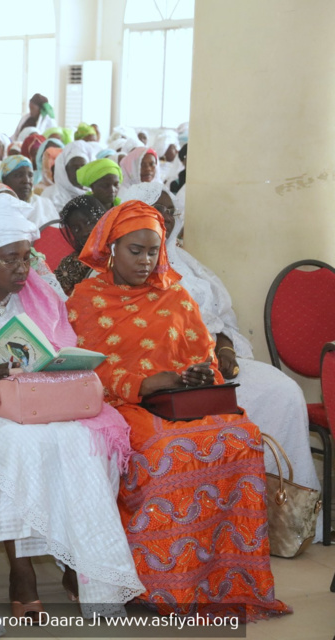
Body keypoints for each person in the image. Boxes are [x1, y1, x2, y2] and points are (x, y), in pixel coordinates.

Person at [66, 200, 291, 620]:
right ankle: (159, 589)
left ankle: (225, 582)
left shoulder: (174, 293)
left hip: (182, 403)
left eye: (154, 250)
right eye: (136, 250)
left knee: (241, 438)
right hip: (122, 406)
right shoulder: (87, 298)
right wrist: (146, 383)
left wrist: (197, 376)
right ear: (112, 248)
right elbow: (86, 368)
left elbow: (202, 353)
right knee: (167, 451)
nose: (147, 260)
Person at [0, 197, 143, 619]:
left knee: (81, 442)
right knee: (17, 444)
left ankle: (80, 564)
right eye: (9, 260)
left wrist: (58, 362)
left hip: (40, 400)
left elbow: (63, 343)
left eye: (26, 258)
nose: (22, 269)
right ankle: (22, 571)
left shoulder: (42, 295)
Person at [123, 183, 322, 530]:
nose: (168, 217)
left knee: (283, 392)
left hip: (216, 360)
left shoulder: (186, 261)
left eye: (170, 210)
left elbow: (221, 318)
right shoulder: (131, 267)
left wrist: (226, 349)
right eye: (158, 209)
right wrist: (199, 359)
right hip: (176, 376)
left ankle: (287, 518)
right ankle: (230, 518)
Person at [53, 195, 105, 295]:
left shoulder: (120, 251)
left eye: (89, 222)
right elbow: (55, 295)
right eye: (77, 229)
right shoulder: (72, 263)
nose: (85, 231)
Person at [0, 154, 58, 226]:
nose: (26, 180)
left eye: (30, 175)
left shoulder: (44, 204)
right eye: (18, 175)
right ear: (4, 180)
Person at [40, 140, 94, 210]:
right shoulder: (50, 195)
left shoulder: (94, 194)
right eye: (74, 167)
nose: (78, 172)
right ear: (65, 170)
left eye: (83, 167)